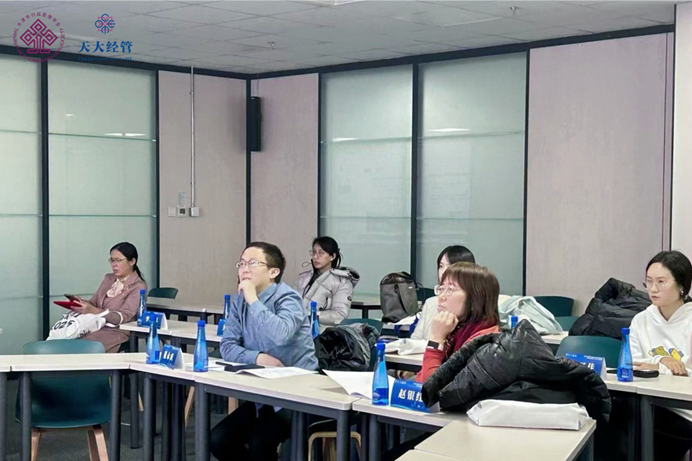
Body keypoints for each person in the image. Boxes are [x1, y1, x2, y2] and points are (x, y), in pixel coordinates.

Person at [211, 242, 318, 461]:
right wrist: (258, 357)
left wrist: (253, 300)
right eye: (241, 263)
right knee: (218, 439)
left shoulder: (288, 298)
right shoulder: (239, 301)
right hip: (263, 392)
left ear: (273, 272)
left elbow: (281, 334)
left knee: (260, 441)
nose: (244, 269)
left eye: (252, 263)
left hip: (299, 393)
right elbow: (227, 346)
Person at [630, 250, 692, 461]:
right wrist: (662, 362)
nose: (653, 289)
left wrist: (658, 367)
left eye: (661, 282)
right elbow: (634, 365)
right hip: (645, 404)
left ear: (681, 285)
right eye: (649, 282)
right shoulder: (641, 320)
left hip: (683, 411)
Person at [417, 262, 500, 382]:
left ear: (475, 299)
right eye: (441, 288)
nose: (441, 296)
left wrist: (436, 338)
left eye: (450, 289)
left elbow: (431, 388)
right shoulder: (456, 331)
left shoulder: (484, 343)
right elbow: (421, 378)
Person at [72, 242, 147, 353]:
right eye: (112, 260)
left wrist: (95, 311)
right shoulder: (108, 278)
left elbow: (124, 317)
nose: (114, 265)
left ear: (132, 261)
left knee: (81, 346)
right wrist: (81, 303)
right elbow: (94, 302)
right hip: (95, 325)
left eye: (118, 260)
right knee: (68, 340)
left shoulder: (138, 286)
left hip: (116, 330)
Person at [411, 245, 476, 341]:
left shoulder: (474, 309)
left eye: (450, 266)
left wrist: (437, 338)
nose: (443, 272)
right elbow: (415, 340)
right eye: (441, 266)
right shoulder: (431, 303)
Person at [295, 236, 360, 328]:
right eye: (314, 252)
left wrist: (310, 314)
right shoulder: (303, 278)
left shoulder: (342, 282)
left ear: (332, 256)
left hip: (323, 331)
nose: (315, 257)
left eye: (321, 253)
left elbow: (340, 315)